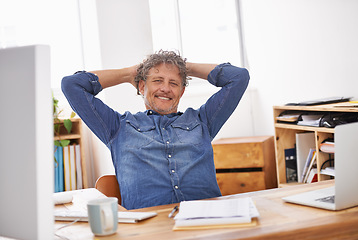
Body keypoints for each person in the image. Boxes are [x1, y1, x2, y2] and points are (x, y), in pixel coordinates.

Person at [62, 50, 250, 210]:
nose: (165, 88)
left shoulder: (204, 121)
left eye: (174, 83)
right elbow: (72, 85)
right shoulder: (117, 127)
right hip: (150, 229)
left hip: (207, 222)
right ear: (142, 86)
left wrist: (183, 67)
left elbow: (238, 77)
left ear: (182, 91)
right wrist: (128, 73)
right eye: (158, 80)